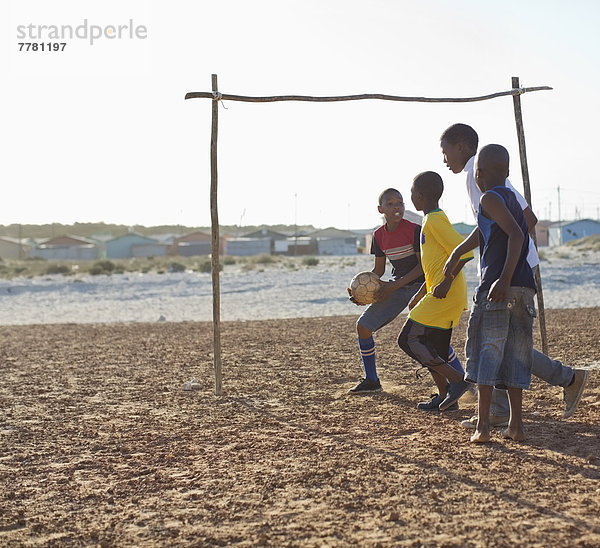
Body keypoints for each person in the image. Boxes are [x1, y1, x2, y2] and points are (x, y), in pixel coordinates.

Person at [440, 123, 589, 425]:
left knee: (493, 341)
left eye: (445, 152)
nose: (444, 160)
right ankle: (567, 380)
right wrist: (463, 252)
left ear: (462, 147)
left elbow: (512, 224)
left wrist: (503, 268)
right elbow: (513, 223)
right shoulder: (488, 175)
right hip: (514, 267)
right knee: (508, 341)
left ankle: (498, 410)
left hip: (506, 271)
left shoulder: (475, 175)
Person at [445, 144, 536, 442]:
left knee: (487, 352)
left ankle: (483, 427)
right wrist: (457, 251)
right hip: (524, 289)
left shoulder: (488, 197)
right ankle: (516, 426)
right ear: (508, 172)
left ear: (478, 174)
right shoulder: (508, 198)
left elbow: (516, 234)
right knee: (516, 356)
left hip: (499, 288)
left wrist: (503, 279)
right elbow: (485, 230)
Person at [347, 187, 466, 399]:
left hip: (422, 287)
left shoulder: (414, 230)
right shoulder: (378, 236)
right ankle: (372, 380)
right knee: (363, 327)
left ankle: (463, 380)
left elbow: (423, 267)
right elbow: (379, 271)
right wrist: (364, 292)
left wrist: (395, 286)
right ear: (380, 209)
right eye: (391, 203)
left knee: (432, 338)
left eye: (400, 203)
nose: (397, 207)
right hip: (397, 287)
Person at [397, 172, 473, 411]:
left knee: (408, 340)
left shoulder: (434, 220)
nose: (410, 197)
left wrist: (447, 282)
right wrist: (420, 293)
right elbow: (433, 267)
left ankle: (459, 381)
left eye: (411, 193)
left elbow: (465, 253)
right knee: (435, 348)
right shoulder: (431, 219)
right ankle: (445, 399)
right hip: (441, 293)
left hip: (445, 295)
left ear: (419, 196)